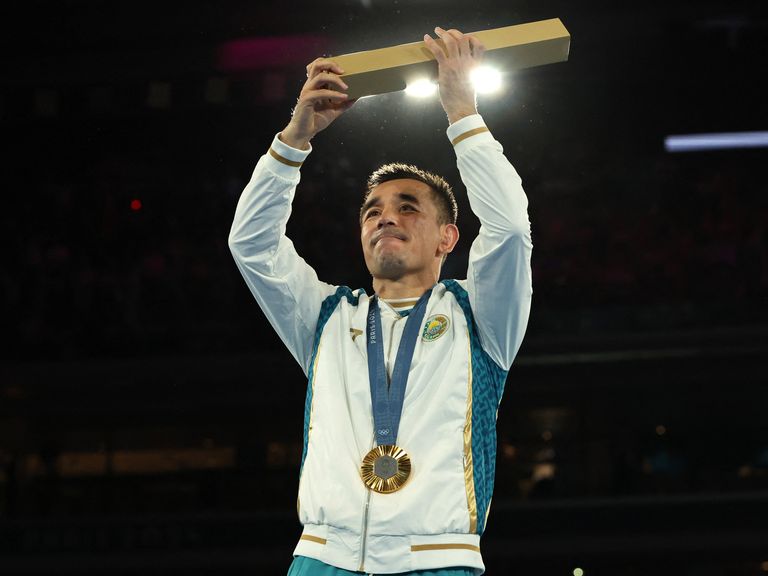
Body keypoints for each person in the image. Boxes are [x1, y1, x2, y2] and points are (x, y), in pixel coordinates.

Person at [229, 26, 532, 576]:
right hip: (321, 557)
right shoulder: (323, 318)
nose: (385, 216)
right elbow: (250, 245)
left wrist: (462, 111)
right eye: (372, 211)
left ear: (448, 238)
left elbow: (510, 229)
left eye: (409, 206)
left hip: (436, 561)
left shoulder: (481, 316)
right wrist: (294, 140)